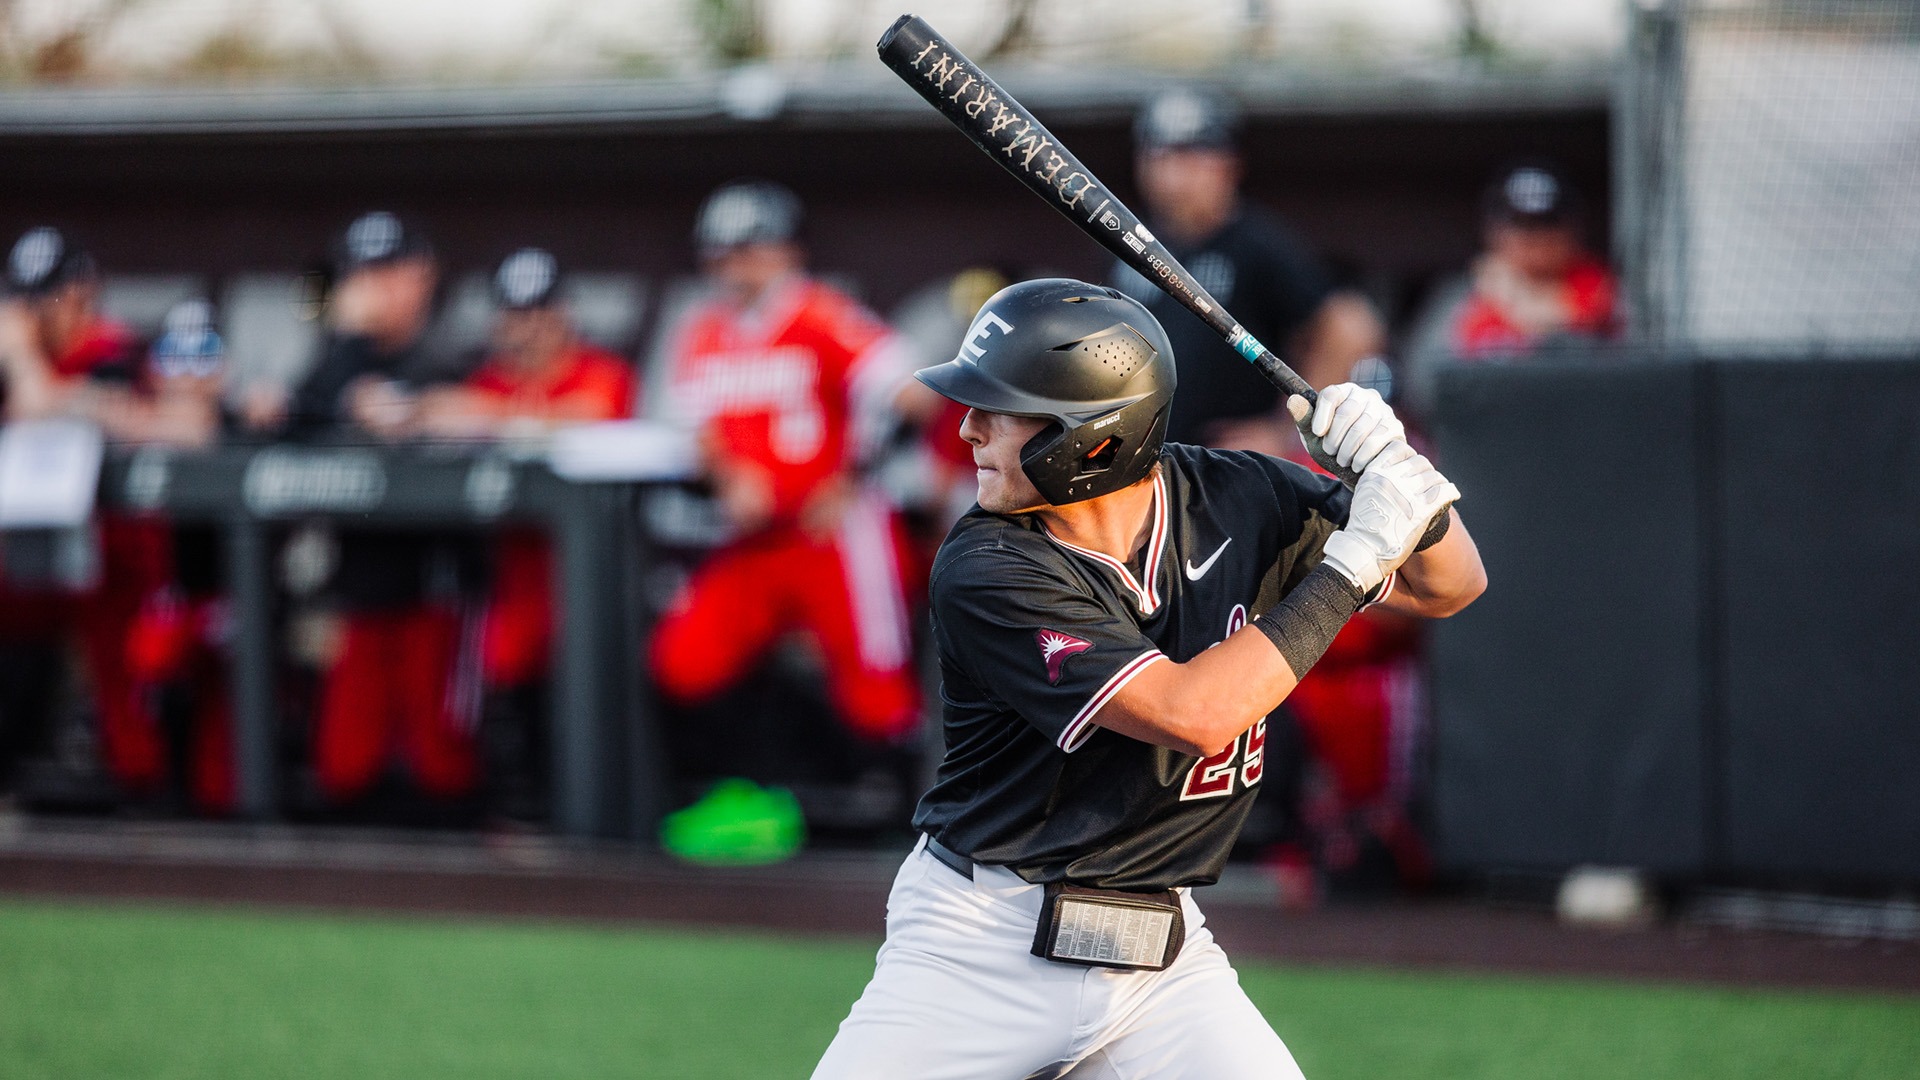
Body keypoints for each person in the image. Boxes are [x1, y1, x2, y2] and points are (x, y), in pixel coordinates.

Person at [812, 278, 1483, 1079]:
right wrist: (1349, 566)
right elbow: (1192, 713)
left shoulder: (1240, 494)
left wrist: (1394, 470)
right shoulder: (987, 564)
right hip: (977, 945)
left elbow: (1450, 584)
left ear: (1094, 440)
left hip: (1159, 964)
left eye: (1003, 408)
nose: (968, 428)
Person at [648, 180, 940, 754]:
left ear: (786, 251)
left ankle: (906, 825)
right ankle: (756, 785)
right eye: (723, 252)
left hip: (832, 529)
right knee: (683, 662)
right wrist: (728, 476)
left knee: (877, 693)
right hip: (752, 538)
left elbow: (914, 394)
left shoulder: (819, 313)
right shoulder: (705, 331)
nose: (736, 266)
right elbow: (693, 428)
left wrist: (853, 475)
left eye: (751, 249)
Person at [414, 247, 635, 820]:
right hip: (512, 575)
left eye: (540, 313)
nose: (528, 329)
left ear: (564, 314)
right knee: (498, 670)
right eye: (516, 315)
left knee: (587, 681)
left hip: (593, 578)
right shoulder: (488, 381)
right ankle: (520, 814)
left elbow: (595, 414)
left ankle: (594, 816)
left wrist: (490, 417)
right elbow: (437, 421)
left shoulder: (599, 372)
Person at [282, 211, 478, 809]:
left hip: (439, 588)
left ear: (420, 276)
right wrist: (342, 341)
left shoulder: (449, 352)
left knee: (444, 768)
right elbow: (300, 412)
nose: (373, 289)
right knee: (343, 768)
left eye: (388, 272)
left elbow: (453, 405)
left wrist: (404, 409)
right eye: (362, 274)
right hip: (363, 588)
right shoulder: (340, 352)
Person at [0, 227, 196, 802]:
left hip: (119, 560)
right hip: (31, 560)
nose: (40, 312)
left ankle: (145, 808)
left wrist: (22, 356)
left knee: (131, 697)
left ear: (84, 292)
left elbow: (41, 402)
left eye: (53, 296)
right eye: (30, 298)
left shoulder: (115, 348)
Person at [1111, 87, 1385, 455]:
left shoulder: (1255, 245)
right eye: (1158, 156)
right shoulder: (1128, 245)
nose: (1172, 176)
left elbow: (1352, 327)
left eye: (1190, 158)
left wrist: (1288, 432)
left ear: (1228, 165)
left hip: (1224, 470)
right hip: (1142, 463)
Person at [1401, 162, 1619, 419]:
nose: (1535, 240)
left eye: (1547, 224)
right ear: (1494, 231)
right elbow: (1420, 387)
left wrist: (1522, 304)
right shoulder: (1464, 295)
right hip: (1482, 432)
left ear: (1572, 230)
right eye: (1521, 226)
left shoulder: (1598, 288)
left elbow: (1606, 381)